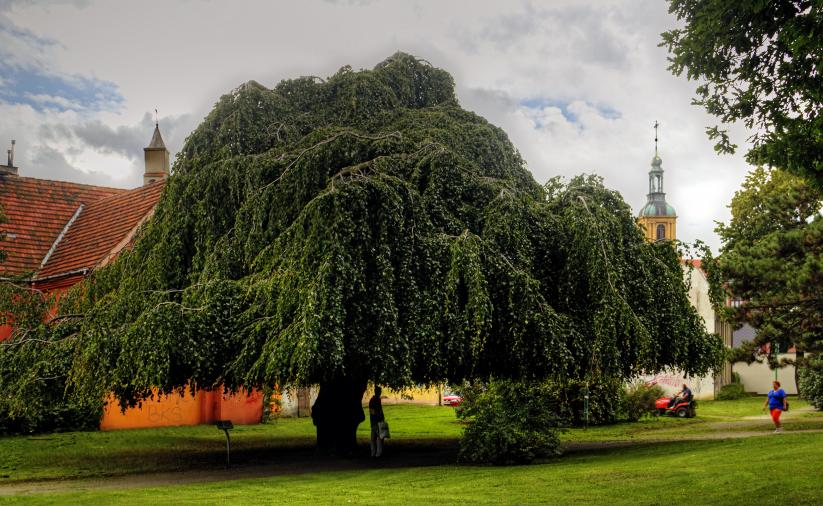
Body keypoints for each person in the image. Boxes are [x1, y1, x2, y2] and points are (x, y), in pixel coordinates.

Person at [368, 386, 385, 458]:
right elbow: (372, 411)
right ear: (377, 392)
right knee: (378, 438)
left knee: (374, 438)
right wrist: (379, 417)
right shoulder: (374, 400)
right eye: (380, 391)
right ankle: (377, 453)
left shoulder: (376, 399)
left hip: (375, 422)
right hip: (376, 422)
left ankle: (374, 453)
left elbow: (373, 411)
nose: (380, 393)